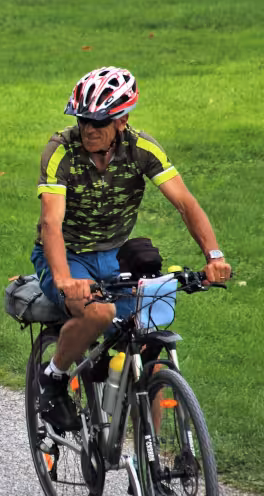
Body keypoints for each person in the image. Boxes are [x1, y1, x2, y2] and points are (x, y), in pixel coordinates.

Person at [31, 66, 231, 431]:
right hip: (65, 254)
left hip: (113, 254)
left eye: (99, 122)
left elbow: (185, 203)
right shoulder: (60, 151)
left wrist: (213, 256)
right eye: (82, 120)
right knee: (99, 312)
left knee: (147, 352)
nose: (88, 129)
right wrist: (63, 279)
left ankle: (146, 459)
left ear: (122, 120)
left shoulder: (142, 149)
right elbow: (51, 224)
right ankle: (53, 377)